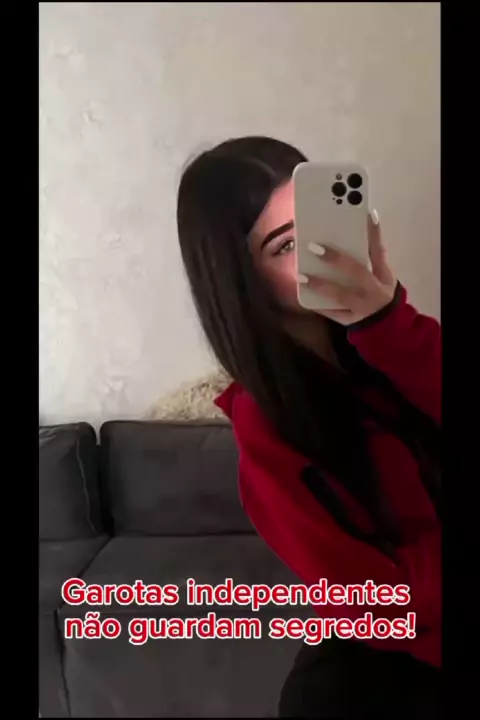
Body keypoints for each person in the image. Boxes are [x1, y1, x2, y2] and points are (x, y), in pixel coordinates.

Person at [176, 137, 441, 717]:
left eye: (318, 225)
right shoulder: (264, 420)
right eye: (287, 244)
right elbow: (366, 603)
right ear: (243, 279)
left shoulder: (388, 340)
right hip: (386, 676)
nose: (324, 252)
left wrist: (387, 319)